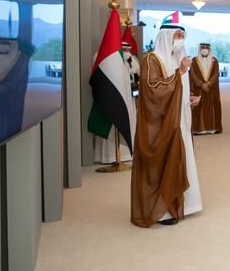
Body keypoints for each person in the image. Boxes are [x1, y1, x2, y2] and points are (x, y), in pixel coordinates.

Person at [131, 23, 202, 227]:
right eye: (177, 35)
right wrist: (179, 72)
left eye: (182, 36)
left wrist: (189, 97)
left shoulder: (173, 58)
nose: (180, 40)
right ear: (166, 36)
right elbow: (152, 89)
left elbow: (176, 88)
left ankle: (185, 204)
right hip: (162, 123)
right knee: (166, 159)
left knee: (182, 156)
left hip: (179, 117)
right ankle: (162, 210)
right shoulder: (152, 59)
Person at [94, 43, 136, 164]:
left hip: (126, 97)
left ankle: (125, 153)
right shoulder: (102, 55)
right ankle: (112, 156)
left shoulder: (127, 57)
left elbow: (134, 70)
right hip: (110, 98)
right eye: (125, 49)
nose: (127, 51)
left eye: (128, 49)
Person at [190, 42, 222, 135]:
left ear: (209, 50)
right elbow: (192, 74)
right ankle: (198, 129)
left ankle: (211, 128)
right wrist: (201, 84)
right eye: (202, 47)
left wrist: (208, 83)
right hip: (198, 89)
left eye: (206, 48)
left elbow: (216, 74)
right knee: (199, 107)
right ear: (200, 49)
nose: (204, 49)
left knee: (211, 107)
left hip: (211, 89)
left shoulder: (214, 61)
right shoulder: (194, 60)